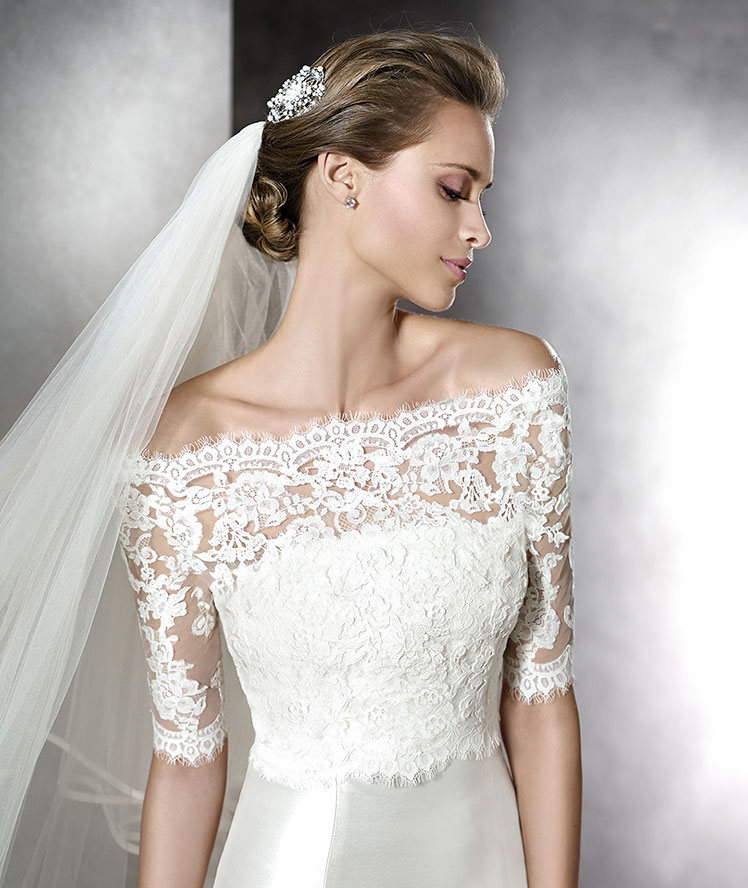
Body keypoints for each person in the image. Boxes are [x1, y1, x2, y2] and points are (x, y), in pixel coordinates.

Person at [0, 27, 581, 888]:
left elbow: (542, 694)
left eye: (481, 197)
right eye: (454, 190)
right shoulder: (185, 453)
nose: (480, 228)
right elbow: (188, 759)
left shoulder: (515, 391)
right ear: (343, 177)